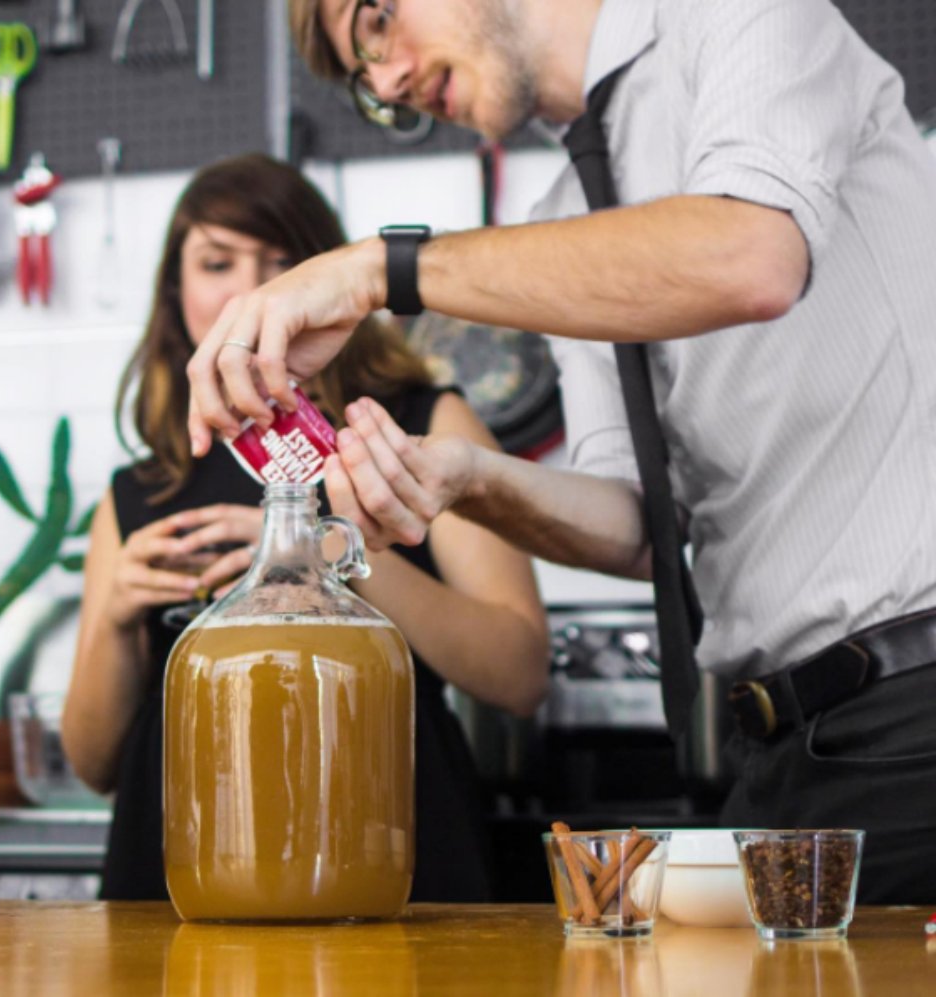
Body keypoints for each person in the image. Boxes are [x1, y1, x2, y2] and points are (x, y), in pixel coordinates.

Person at [184, 0, 936, 903]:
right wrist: (466, 479)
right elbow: (638, 527)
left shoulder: (736, 14)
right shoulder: (570, 214)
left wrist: (380, 268)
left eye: (376, 20)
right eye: (363, 77)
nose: (386, 81)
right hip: (785, 753)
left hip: (914, 707)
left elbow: (752, 256)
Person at [61, 153, 549, 902]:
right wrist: (116, 618)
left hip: (387, 843)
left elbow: (518, 673)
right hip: (182, 868)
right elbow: (94, 764)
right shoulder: (141, 492)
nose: (251, 289)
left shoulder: (420, 427)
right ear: (175, 292)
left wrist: (314, 556)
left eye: (284, 261)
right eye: (217, 262)